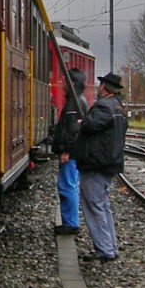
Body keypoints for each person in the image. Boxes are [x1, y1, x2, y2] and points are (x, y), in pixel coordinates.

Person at [74, 71, 128, 262]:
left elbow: (89, 125)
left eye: (100, 85)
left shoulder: (104, 106)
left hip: (96, 163)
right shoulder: (119, 107)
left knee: (94, 205)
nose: (97, 88)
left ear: (104, 87)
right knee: (103, 205)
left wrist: (82, 122)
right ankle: (110, 246)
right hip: (109, 162)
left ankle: (104, 249)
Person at [51, 69, 88, 235]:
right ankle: (69, 221)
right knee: (68, 186)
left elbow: (72, 130)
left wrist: (65, 150)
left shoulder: (74, 103)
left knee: (67, 187)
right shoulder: (78, 100)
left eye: (66, 80)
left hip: (71, 154)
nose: (63, 83)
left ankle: (71, 223)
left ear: (73, 83)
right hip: (74, 153)